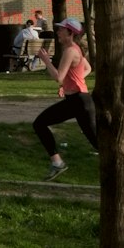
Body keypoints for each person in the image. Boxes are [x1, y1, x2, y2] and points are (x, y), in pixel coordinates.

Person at [33, 17, 97, 180]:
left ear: (70, 33)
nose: (58, 32)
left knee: (98, 142)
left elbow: (58, 77)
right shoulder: (75, 49)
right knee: (40, 123)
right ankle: (57, 163)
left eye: (61, 29)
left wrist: (46, 61)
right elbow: (87, 68)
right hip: (76, 100)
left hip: (80, 102)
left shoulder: (70, 51)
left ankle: (57, 163)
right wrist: (68, 86)